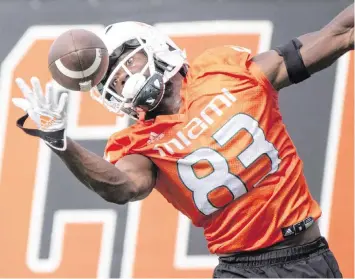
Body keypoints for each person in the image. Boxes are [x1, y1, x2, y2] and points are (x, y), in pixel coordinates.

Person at [13, 3, 353, 278]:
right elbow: (123, 187)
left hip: (313, 255)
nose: (125, 79)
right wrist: (60, 142)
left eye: (129, 61)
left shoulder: (225, 72)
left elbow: (336, 35)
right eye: (113, 81)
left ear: (155, 48)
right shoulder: (138, 143)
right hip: (246, 270)